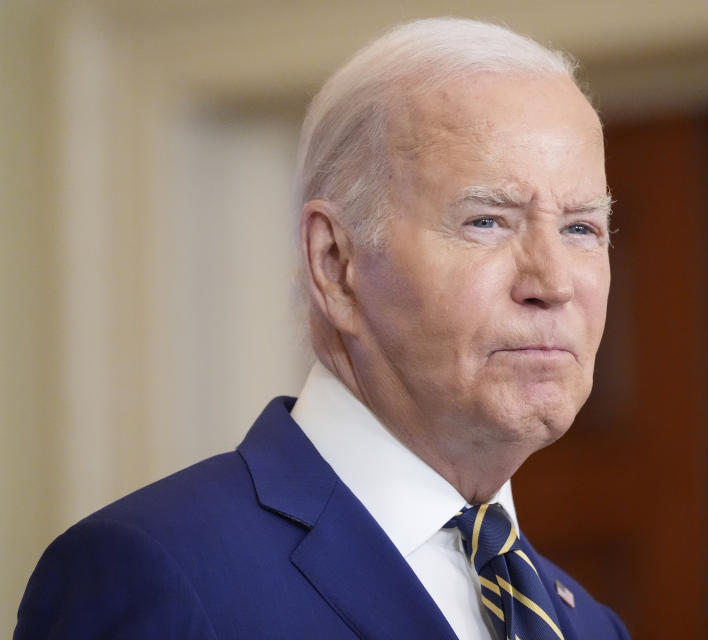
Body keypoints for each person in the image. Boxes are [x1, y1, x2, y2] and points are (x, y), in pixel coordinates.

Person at [15, 17, 628, 640]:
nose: (552, 284)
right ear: (335, 263)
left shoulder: (590, 624)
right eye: (487, 222)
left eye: (580, 228)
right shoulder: (155, 573)